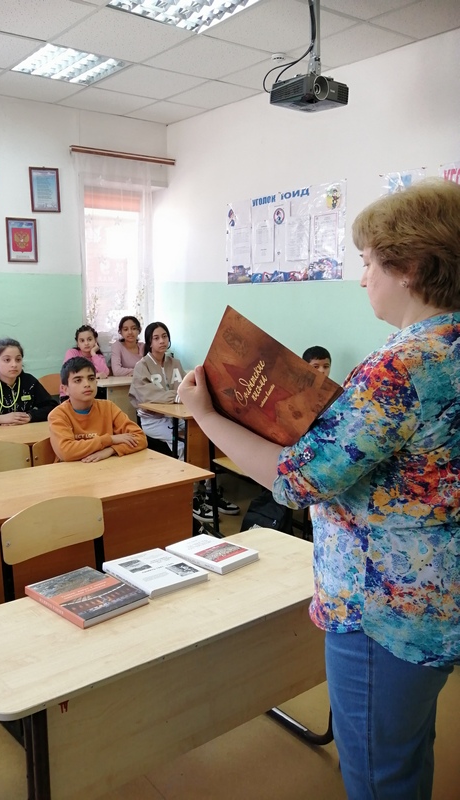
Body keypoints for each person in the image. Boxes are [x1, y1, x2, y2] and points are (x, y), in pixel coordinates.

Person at [178, 178, 460, 800]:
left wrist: (205, 415)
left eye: (367, 263)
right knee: (407, 752)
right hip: (441, 599)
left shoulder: (401, 365)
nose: (362, 278)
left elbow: (295, 479)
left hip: (383, 610)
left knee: (377, 775)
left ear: (408, 267)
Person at [130, 322, 239, 521]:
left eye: (164, 336)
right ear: (149, 342)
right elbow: (147, 396)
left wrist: (179, 396)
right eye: (156, 338)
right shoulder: (142, 366)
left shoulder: (175, 363)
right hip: (153, 420)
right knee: (184, 444)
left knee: (204, 437)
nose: (162, 341)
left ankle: (209, 491)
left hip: (178, 416)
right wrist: (177, 395)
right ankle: (190, 495)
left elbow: (186, 390)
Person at [49, 357, 147, 462]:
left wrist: (111, 450)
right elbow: (66, 452)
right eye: (78, 380)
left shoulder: (108, 407)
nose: (87, 384)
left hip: (106, 469)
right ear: (65, 389)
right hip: (71, 473)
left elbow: (140, 438)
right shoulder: (58, 415)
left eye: (91, 378)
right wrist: (110, 439)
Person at [0, 338, 57, 427]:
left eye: (18, 360)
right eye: (7, 360)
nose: (14, 365)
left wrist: (29, 416)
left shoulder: (29, 382)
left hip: (25, 433)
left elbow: (52, 407)